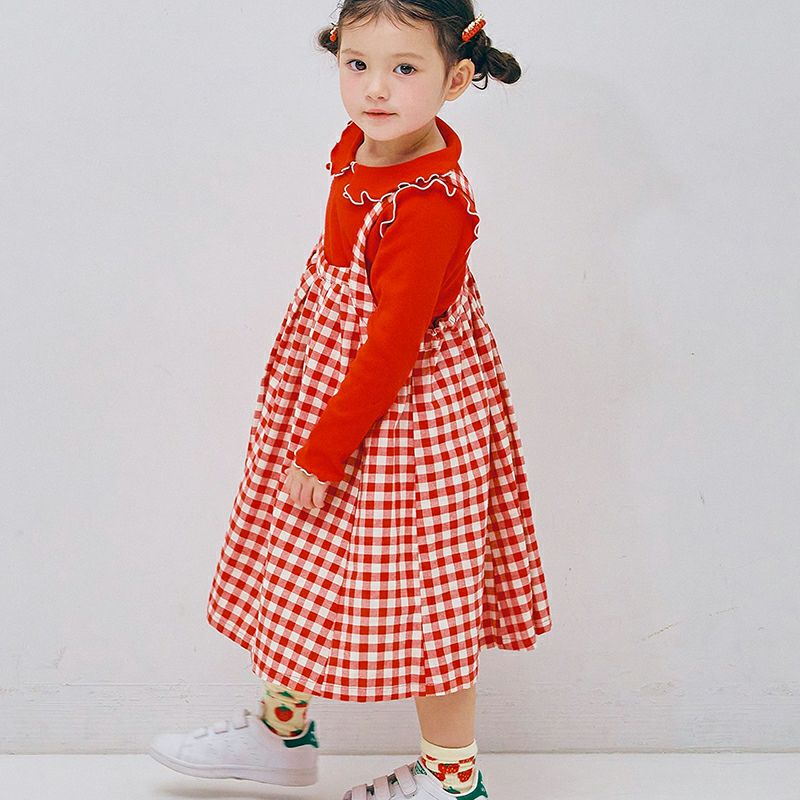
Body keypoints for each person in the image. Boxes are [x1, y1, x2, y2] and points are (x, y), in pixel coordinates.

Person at [148, 3, 552, 798]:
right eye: (357, 64)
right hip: (335, 398)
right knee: (299, 560)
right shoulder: (365, 149)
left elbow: (393, 346)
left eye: (405, 69)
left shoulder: (427, 202)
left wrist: (324, 449)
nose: (375, 88)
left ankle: (451, 777)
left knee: (431, 593)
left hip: (407, 426)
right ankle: (282, 733)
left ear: (456, 80)